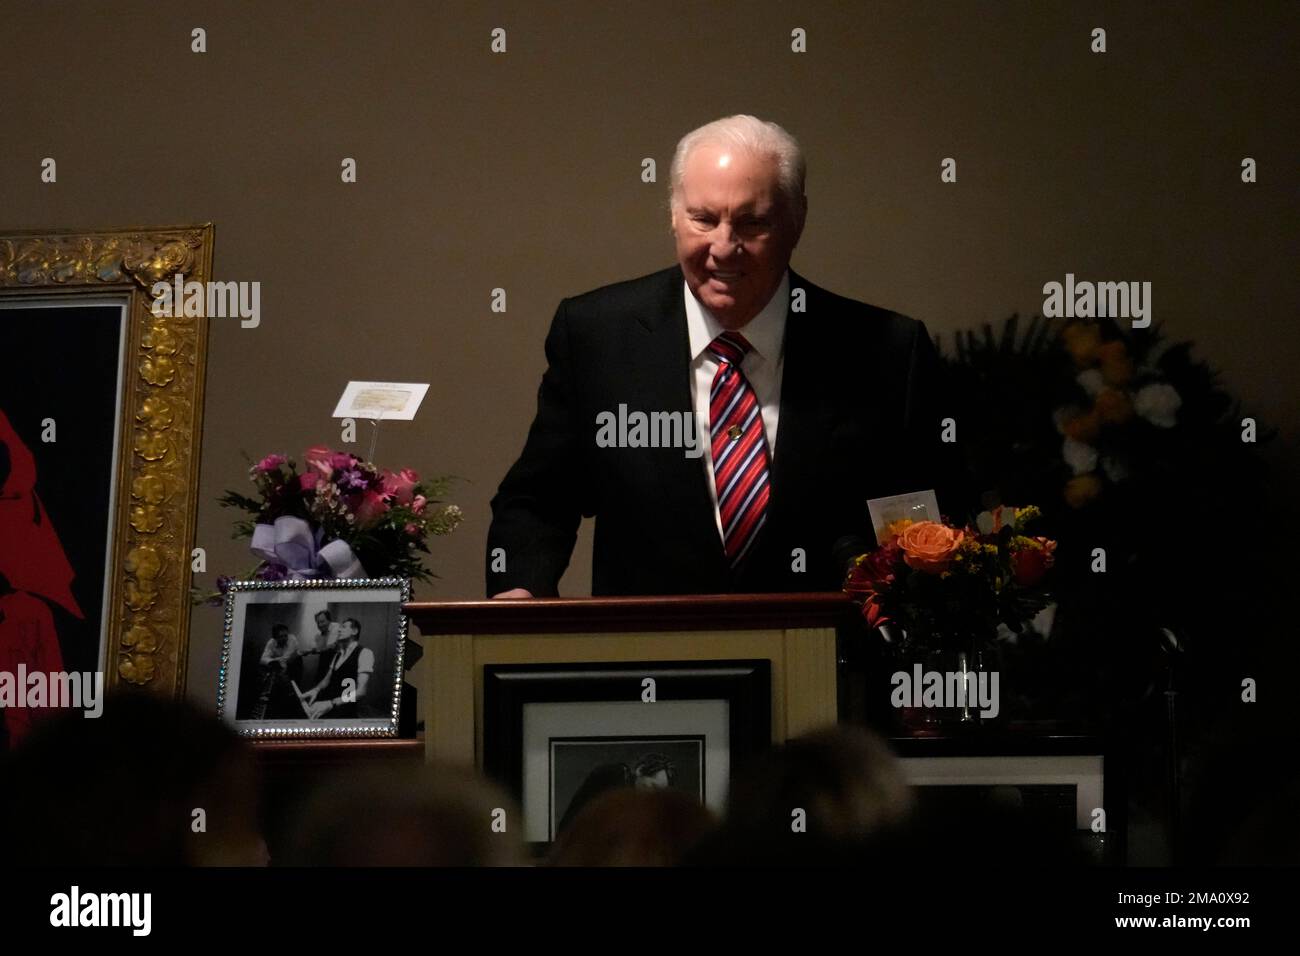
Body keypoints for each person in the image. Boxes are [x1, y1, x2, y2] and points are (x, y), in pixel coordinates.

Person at [487, 114, 970, 598]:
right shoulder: (597, 336)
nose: (724, 247)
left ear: (796, 219)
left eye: (751, 222)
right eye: (703, 219)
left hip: (827, 660)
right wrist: (520, 594)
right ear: (674, 215)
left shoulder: (886, 350)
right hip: (647, 660)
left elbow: (933, 522)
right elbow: (539, 499)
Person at [302, 617, 373, 719]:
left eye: (343, 627)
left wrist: (332, 703)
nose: (339, 630)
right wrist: (316, 690)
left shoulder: (365, 653)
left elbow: (361, 691)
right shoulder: (337, 655)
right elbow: (327, 680)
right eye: (339, 627)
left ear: (354, 631)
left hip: (345, 712)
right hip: (329, 708)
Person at [252, 623, 302, 719]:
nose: (284, 638)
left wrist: (275, 660)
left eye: (285, 635)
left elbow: (287, 659)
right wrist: (273, 662)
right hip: (281, 662)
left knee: (294, 681)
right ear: (275, 638)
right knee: (266, 670)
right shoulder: (271, 643)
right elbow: (263, 659)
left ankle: (294, 695)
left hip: (294, 661)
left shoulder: (292, 640)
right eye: (281, 636)